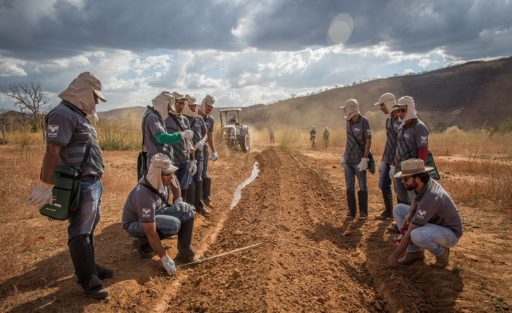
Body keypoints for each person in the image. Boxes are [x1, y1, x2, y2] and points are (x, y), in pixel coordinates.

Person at [30, 72, 111, 299]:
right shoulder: (62, 114)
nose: (96, 102)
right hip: (79, 183)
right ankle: (88, 280)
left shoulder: (79, 115)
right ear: (84, 92)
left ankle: (91, 268)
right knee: (80, 230)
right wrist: (45, 185)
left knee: (89, 227)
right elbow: (52, 151)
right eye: (95, 97)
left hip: (92, 182)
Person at [122, 154, 198, 276]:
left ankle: (185, 252)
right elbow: (150, 230)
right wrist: (164, 257)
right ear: (158, 175)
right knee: (173, 224)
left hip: (156, 214)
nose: (172, 176)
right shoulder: (144, 195)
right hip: (137, 223)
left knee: (188, 210)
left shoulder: (163, 178)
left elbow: (175, 182)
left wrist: (178, 199)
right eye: (168, 174)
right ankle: (144, 244)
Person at [387, 159, 463, 268]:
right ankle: (414, 253)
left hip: (450, 233)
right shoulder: (424, 183)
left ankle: (441, 253)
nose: (403, 181)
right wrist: (410, 214)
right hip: (435, 224)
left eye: (406, 178)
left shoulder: (431, 197)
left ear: (417, 178)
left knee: (415, 234)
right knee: (399, 210)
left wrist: (395, 255)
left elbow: (411, 230)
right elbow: (416, 199)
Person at [142, 91, 193, 171]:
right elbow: (161, 137)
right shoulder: (153, 117)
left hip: (161, 161)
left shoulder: (154, 115)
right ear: (163, 104)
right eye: (168, 106)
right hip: (158, 162)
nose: (169, 109)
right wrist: (181, 135)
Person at [339, 99, 372, 220]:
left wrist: (365, 158)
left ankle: (363, 212)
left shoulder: (364, 121)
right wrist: (344, 155)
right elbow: (348, 140)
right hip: (348, 159)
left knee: (362, 185)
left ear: (350, 109)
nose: (344, 111)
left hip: (359, 160)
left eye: (345, 109)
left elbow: (368, 140)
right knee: (349, 186)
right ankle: (351, 211)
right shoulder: (348, 122)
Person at [394, 96, 429, 205]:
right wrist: (393, 165)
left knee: (413, 199)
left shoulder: (419, 127)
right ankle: (402, 219)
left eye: (402, 110)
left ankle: (413, 220)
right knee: (401, 196)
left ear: (410, 109)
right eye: (398, 110)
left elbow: (423, 150)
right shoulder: (401, 126)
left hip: (411, 171)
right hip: (399, 169)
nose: (400, 113)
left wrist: (418, 173)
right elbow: (399, 146)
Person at [374, 93, 401, 220]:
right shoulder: (389, 120)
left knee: (399, 188)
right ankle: (389, 211)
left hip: (397, 160)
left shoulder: (401, 121)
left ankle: (400, 216)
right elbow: (389, 140)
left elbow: (401, 143)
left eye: (382, 105)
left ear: (388, 104)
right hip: (387, 158)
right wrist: (383, 159)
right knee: (383, 184)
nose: (381, 108)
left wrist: (395, 162)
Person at [183, 95, 210, 216]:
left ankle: (199, 205)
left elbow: (206, 133)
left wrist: (202, 142)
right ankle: (190, 207)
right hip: (186, 156)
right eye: (192, 105)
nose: (194, 108)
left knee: (198, 179)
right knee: (188, 181)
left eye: (195, 105)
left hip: (199, 155)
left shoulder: (199, 118)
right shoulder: (183, 119)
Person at [165, 92, 194, 203]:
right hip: (171, 161)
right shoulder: (166, 119)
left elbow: (188, 140)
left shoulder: (185, 120)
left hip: (184, 159)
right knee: (168, 190)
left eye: (183, 103)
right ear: (172, 102)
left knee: (183, 188)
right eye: (179, 103)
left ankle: (181, 213)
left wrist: (192, 160)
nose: (181, 106)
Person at [198, 95, 218, 206]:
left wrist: (214, 151)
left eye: (211, 107)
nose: (209, 108)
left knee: (204, 173)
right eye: (207, 106)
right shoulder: (195, 116)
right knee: (196, 174)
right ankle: (198, 199)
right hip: (194, 150)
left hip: (204, 150)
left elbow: (210, 136)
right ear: (203, 104)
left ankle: (207, 197)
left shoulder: (211, 120)